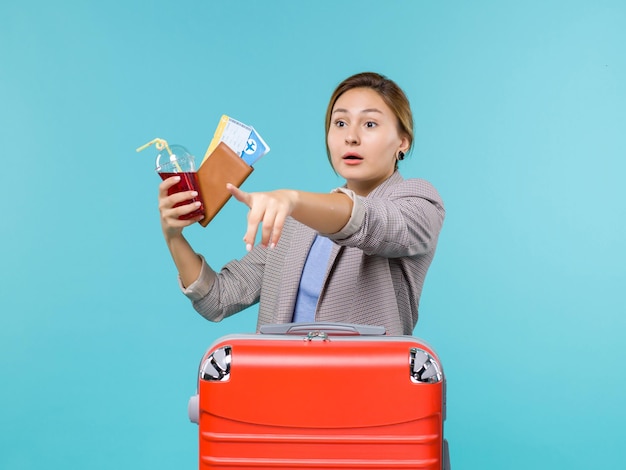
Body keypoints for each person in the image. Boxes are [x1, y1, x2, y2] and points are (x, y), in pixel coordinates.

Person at [157, 72, 445, 335]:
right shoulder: (296, 222)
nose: (351, 137)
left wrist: (292, 199)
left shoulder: (419, 201)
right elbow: (219, 298)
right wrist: (174, 238)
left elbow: (372, 222)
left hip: (365, 388)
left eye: (370, 124)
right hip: (282, 387)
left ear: (402, 142)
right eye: (340, 123)